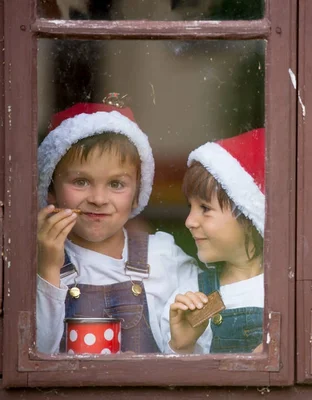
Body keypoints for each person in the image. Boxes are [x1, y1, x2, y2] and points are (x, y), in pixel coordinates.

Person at [164, 128, 312, 354]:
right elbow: (174, 381)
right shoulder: (192, 297)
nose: (189, 221)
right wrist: (182, 346)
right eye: (191, 207)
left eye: (205, 209)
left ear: (251, 218)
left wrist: (302, 350)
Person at [36, 94, 199, 354]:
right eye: (81, 181)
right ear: (50, 189)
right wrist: (48, 269)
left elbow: (194, 355)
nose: (99, 199)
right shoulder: (36, 261)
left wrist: (183, 343)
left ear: (137, 194)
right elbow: (35, 357)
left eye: (116, 184)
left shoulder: (162, 258)